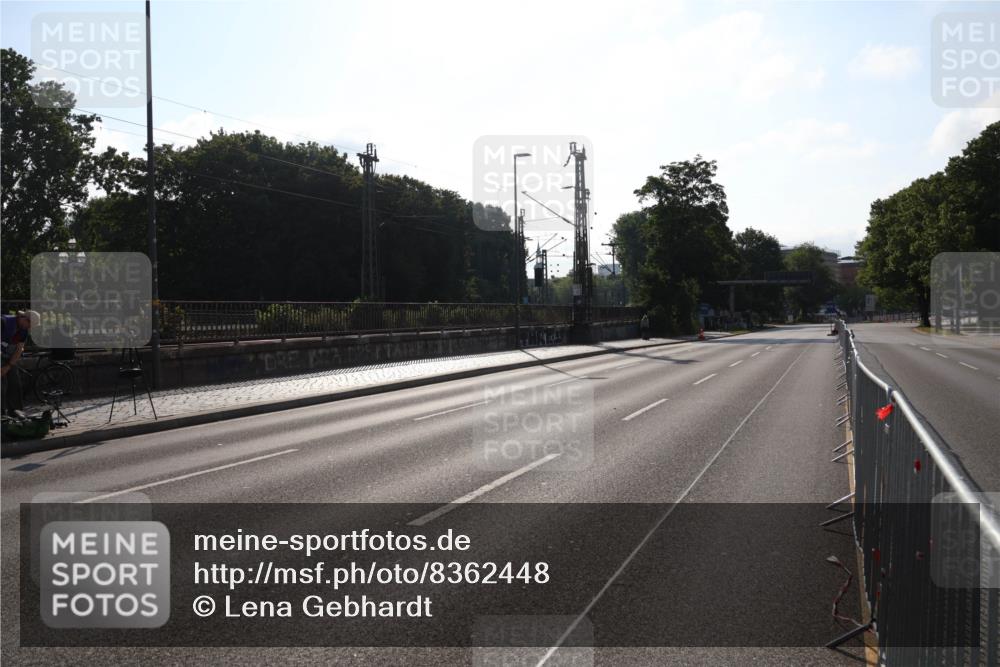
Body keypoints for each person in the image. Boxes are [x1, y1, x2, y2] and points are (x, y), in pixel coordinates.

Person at [1, 310, 40, 416]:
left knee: (15, 382)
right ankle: (2, 414)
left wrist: (8, 366)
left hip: (8, 357)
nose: (29, 328)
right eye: (30, 325)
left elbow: (19, 349)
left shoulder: (24, 331)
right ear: (24, 319)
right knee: (2, 384)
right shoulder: (3, 322)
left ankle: (15, 411)